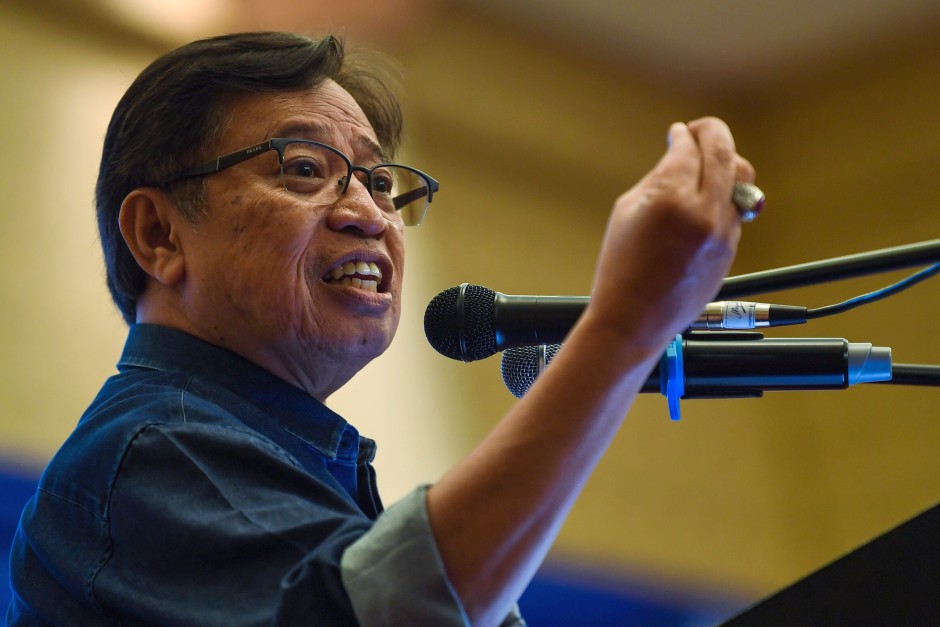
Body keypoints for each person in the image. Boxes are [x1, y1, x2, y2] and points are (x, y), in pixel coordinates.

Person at [6, 31, 755, 626]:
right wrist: (624, 324)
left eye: (381, 182)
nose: (369, 213)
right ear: (159, 235)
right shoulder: (148, 452)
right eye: (305, 168)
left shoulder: (295, 463)